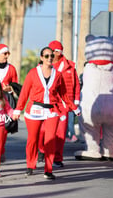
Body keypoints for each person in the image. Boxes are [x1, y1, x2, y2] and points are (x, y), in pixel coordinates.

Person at [12, 47, 80, 180]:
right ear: (42, 58)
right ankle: (30, 165)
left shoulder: (58, 75)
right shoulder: (32, 73)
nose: (50, 58)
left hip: (51, 110)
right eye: (47, 56)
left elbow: (64, 95)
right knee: (33, 139)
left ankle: (48, 170)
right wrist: (17, 110)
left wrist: (74, 108)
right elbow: (24, 93)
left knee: (50, 140)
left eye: (52, 56)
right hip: (34, 110)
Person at [38, 41, 81, 167]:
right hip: (47, 104)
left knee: (60, 133)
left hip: (64, 104)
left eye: (57, 51)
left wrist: (76, 101)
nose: (55, 53)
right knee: (44, 130)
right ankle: (42, 150)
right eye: (53, 51)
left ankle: (57, 158)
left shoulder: (70, 67)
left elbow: (76, 85)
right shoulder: (43, 66)